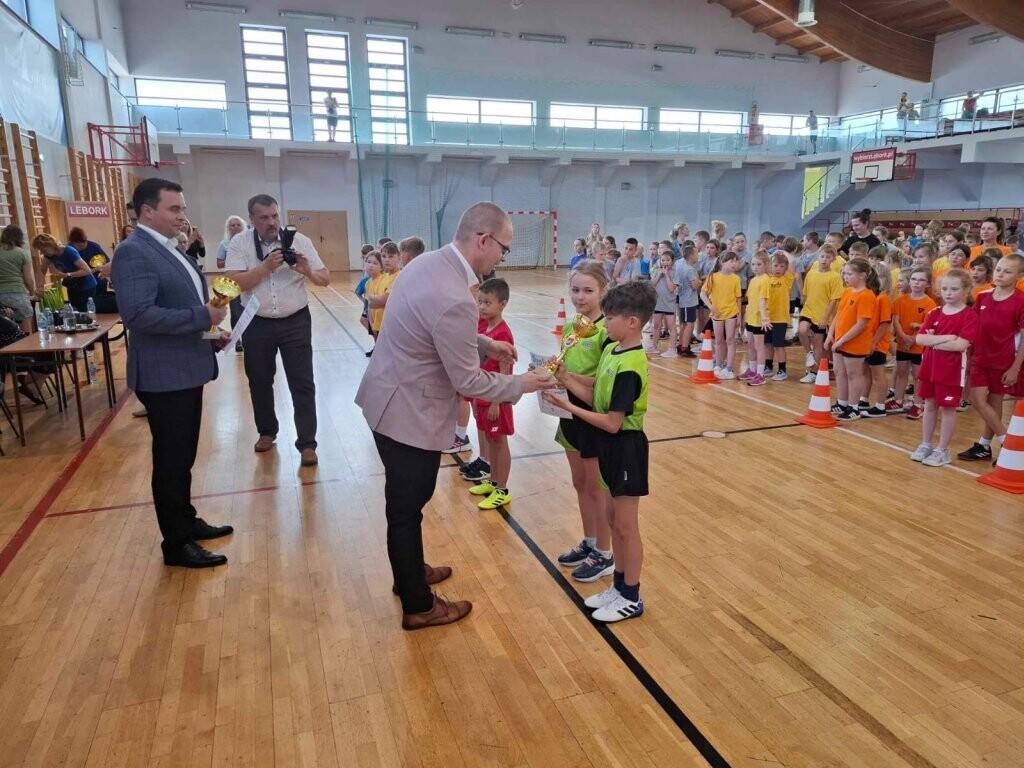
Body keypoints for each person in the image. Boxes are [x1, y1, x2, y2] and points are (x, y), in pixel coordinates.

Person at [355, 202, 556, 631]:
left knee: (405, 506)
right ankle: (418, 603)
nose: (503, 257)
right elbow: (470, 381)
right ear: (483, 240)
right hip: (409, 413)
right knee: (406, 509)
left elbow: (432, 328)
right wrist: (522, 383)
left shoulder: (427, 264)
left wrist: (484, 343)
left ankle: (410, 572)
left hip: (385, 397)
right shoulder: (454, 297)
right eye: (503, 248)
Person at [113, 178, 234, 568]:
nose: (183, 216)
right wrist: (202, 316)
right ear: (148, 211)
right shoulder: (134, 252)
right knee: (171, 460)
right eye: (174, 209)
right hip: (164, 374)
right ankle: (177, 543)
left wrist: (209, 334)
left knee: (182, 457)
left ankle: (186, 520)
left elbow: (177, 305)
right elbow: (138, 315)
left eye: (182, 208)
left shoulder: (168, 248)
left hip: (184, 366)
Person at [544, 281, 656, 623]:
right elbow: (598, 392)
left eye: (610, 318)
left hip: (625, 449)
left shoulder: (631, 365)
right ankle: (618, 586)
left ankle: (631, 596)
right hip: (610, 447)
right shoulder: (613, 351)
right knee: (612, 519)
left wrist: (569, 406)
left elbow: (611, 422)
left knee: (626, 527)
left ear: (632, 322)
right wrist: (566, 378)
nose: (604, 324)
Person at [225, 193, 331, 467]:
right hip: (257, 322)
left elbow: (324, 279)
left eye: (275, 215)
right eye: (264, 217)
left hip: (295, 320)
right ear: (252, 219)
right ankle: (267, 432)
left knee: (303, 382)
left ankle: (307, 443)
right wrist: (265, 267)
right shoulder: (239, 243)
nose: (272, 222)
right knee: (259, 380)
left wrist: (306, 270)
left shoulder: (300, 240)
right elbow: (233, 284)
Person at [956, 254, 1024, 463]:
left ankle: (985, 445)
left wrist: (1015, 368)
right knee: (977, 399)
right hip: (980, 358)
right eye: (999, 269)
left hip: (1004, 361)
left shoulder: (1021, 301)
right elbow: (972, 326)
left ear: (1019, 276)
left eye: (1008, 271)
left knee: (994, 401)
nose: (1000, 274)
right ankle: (1006, 442)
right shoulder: (983, 297)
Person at [910, 270, 979, 467]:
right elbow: (920, 339)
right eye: (945, 288)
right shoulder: (934, 313)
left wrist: (933, 341)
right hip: (930, 368)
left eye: (954, 289)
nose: (948, 293)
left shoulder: (969, 316)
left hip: (951, 371)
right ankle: (926, 444)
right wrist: (947, 338)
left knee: (948, 409)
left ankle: (943, 449)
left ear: (966, 290)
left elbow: (960, 345)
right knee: (929, 405)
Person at [464, 278, 517, 510]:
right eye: (480, 302)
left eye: (487, 303)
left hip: (497, 398)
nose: (482, 307)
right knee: (489, 439)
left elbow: (505, 372)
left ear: (502, 304)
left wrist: (496, 402)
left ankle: (502, 490)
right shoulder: (483, 328)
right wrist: (476, 397)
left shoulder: (503, 334)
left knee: (499, 442)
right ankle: (493, 482)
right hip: (482, 394)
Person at [826, 258, 878, 422]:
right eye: (844, 273)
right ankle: (842, 403)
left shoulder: (867, 296)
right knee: (839, 371)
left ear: (862, 275)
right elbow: (839, 314)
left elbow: (861, 324)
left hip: (855, 343)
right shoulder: (848, 292)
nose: (845, 277)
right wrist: (831, 334)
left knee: (853, 374)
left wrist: (842, 340)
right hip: (840, 340)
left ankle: (853, 407)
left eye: (849, 274)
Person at [890, 267, 936, 417]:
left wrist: (914, 339)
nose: (917, 282)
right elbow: (896, 321)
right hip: (903, 344)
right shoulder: (900, 300)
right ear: (909, 281)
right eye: (914, 279)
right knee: (901, 372)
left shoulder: (929, 303)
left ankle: (918, 404)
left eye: (921, 280)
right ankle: (898, 400)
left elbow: (928, 325)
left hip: (919, 346)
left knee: (918, 376)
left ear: (927, 284)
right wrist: (903, 336)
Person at [798, 245, 845, 383]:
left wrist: (826, 317)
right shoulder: (811, 273)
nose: (824, 260)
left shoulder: (835, 277)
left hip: (822, 313)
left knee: (818, 342)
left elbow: (834, 300)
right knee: (802, 330)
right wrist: (804, 306)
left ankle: (814, 371)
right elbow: (806, 293)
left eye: (828, 257)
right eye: (822, 256)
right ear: (818, 257)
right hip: (809, 310)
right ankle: (809, 353)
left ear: (833, 259)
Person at [700, 251, 742, 379]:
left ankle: (729, 367)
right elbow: (703, 294)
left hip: (731, 313)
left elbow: (738, 298)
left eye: (736, 261)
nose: (734, 263)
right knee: (718, 340)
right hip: (717, 314)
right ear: (723, 262)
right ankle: (718, 364)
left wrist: (739, 316)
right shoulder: (713, 277)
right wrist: (711, 307)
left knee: (730, 340)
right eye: (731, 261)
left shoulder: (736, 278)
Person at [31, 233, 97, 311]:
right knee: (75, 311)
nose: (42, 253)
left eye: (43, 249)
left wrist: (67, 275)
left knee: (84, 310)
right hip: (72, 285)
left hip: (86, 285)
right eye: (40, 250)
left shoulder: (69, 251)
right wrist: (40, 287)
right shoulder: (48, 256)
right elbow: (42, 271)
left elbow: (87, 270)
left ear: (50, 244)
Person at [862, 264, 893, 417]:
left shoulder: (883, 298)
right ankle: (863, 399)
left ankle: (880, 406)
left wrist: (874, 342)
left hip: (877, 343)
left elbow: (885, 323)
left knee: (878, 374)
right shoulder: (871, 296)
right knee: (865, 372)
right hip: (867, 341)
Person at [739, 252, 771, 386]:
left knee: (759, 346)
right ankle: (752, 371)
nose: (755, 267)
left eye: (759, 264)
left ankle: (760, 374)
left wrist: (764, 318)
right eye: (753, 264)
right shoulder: (753, 280)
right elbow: (751, 300)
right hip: (751, 317)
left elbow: (762, 300)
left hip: (759, 319)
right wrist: (746, 316)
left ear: (765, 265)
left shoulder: (765, 279)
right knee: (751, 345)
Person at [218, 215, 247, 352]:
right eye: (232, 225)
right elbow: (219, 264)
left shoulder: (249, 243)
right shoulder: (224, 244)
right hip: (231, 283)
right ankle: (237, 340)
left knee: (250, 312)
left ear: (243, 226)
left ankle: (250, 339)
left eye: (238, 225)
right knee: (235, 313)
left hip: (249, 281)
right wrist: (232, 257)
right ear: (228, 228)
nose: (235, 227)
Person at [0, 225, 36, 332]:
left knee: (4, 331)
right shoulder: (22, 253)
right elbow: (28, 278)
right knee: (26, 331)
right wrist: (32, 293)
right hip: (17, 293)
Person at [646, 250, 677, 357]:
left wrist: (667, 275)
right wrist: (659, 275)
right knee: (656, 325)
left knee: (672, 326)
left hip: (669, 303)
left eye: (668, 260)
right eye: (663, 260)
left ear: (672, 261)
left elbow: (671, 288)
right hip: (658, 302)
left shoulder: (675, 273)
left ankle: (672, 349)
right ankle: (654, 346)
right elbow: (652, 285)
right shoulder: (657, 270)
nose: (665, 262)